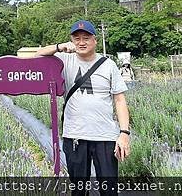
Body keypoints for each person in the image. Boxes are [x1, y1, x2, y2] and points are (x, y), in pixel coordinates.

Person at [35, 20, 130, 196]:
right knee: (79, 191)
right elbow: (37, 56)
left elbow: (120, 100)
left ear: (95, 40)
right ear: (71, 40)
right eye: (76, 38)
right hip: (75, 136)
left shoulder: (108, 64)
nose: (81, 42)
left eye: (86, 38)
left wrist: (124, 134)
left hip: (105, 137)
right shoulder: (63, 61)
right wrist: (59, 47)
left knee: (109, 191)